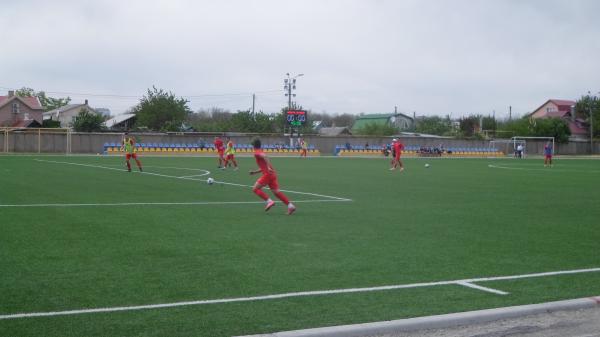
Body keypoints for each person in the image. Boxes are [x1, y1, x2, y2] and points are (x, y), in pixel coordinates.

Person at [249, 138, 296, 215]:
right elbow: (263, 167)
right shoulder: (259, 151)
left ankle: (269, 201)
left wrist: (268, 167)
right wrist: (255, 172)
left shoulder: (257, 152)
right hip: (272, 174)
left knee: (255, 189)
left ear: (254, 146)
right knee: (276, 192)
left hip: (268, 174)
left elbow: (265, 156)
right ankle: (291, 206)